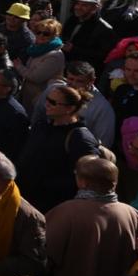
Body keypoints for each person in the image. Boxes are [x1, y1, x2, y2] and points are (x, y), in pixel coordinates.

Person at [16, 84, 102, 213]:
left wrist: (48, 186)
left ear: (70, 108)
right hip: (25, 199)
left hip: (53, 206)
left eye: (53, 102)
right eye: (47, 100)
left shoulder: (79, 137)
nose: (47, 105)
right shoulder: (41, 126)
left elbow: (89, 176)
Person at [18, 17, 67, 111]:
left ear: (54, 36)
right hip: (28, 95)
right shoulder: (37, 49)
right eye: (38, 32)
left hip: (40, 98)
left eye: (46, 34)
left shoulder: (55, 55)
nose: (41, 35)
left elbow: (35, 77)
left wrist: (19, 67)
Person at [63, 0, 116, 72]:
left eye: (84, 5)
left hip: (85, 70)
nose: (78, 7)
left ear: (95, 8)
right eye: (77, 4)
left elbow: (103, 55)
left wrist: (74, 49)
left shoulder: (104, 28)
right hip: (66, 65)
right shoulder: (71, 20)